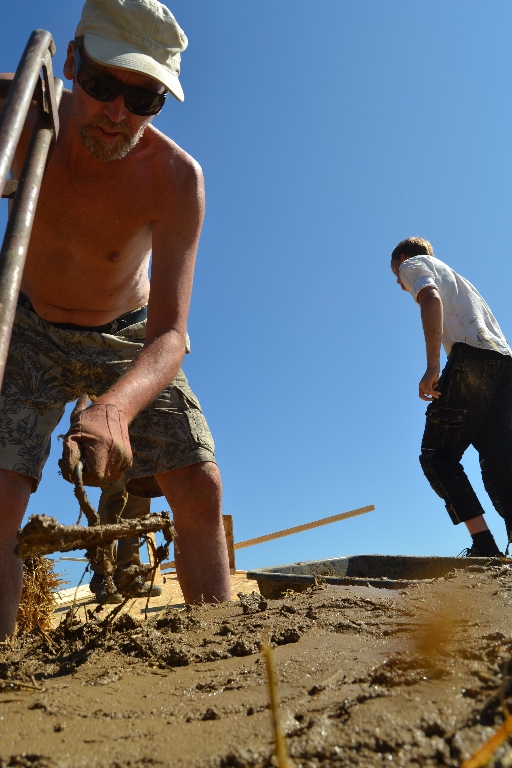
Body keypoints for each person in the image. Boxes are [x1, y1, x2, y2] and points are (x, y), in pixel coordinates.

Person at [0, 0, 231, 639]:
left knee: (199, 484)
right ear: (73, 63)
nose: (117, 113)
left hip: (125, 335)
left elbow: (171, 334)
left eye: (143, 99)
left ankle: (222, 651)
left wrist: (116, 410)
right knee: (1, 498)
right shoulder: (19, 115)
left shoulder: (177, 179)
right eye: (103, 85)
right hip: (26, 326)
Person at [391, 236, 512, 557]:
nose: (400, 283)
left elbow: (430, 299)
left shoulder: (411, 264)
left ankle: (485, 547)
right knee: (498, 458)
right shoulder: (460, 281)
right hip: (503, 364)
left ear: (401, 258)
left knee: (437, 456)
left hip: (472, 360)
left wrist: (433, 365)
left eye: (396, 276)